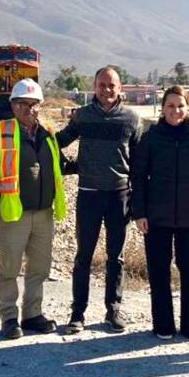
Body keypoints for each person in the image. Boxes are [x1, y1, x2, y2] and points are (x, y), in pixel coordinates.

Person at [0, 79, 69, 339]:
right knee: (9, 267)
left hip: (43, 213)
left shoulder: (48, 133)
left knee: (40, 267)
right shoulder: (0, 134)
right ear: (13, 105)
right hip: (13, 212)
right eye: (22, 103)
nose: (28, 108)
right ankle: (9, 318)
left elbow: (60, 165)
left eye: (33, 104)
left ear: (40, 105)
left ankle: (32, 315)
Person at [56, 66, 142, 334]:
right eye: (102, 85)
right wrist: (71, 166)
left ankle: (113, 310)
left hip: (120, 196)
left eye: (111, 85)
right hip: (89, 195)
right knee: (83, 256)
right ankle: (77, 313)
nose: (106, 90)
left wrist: (138, 199)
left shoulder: (131, 119)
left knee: (116, 257)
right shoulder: (82, 116)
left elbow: (139, 161)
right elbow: (57, 142)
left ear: (120, 88)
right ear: (94, 87)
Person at [132, 86, 189, 340]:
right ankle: (163, 325)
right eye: (170, 106)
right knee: (159, 273)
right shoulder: (151, 138)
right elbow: (138, 177)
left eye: (180, 106)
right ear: (163, 108)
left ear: (187, 108)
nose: (175, 111)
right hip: (157, 217)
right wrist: (139, 212)